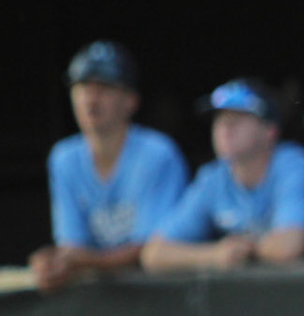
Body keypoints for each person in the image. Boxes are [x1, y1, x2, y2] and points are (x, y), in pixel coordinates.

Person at [31, 41, 187, 293]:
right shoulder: (63, 158)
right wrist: (54, 263)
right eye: (83, 88)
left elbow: (154, 250)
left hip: (158, 296)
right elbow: (72, 244)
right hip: (98, 298)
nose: (91, 99)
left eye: (104, 88)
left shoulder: (158, 154)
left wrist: (80, 262)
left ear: (130, 101)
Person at [141, 78, 304, 271]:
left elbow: (290, 246)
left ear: (269, 130)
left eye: (238, 118)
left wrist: (244, 250)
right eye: (220, 119)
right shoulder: (213, 177)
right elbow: (153, 253)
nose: (225, 128)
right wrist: (215, 254)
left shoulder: (291, 164)